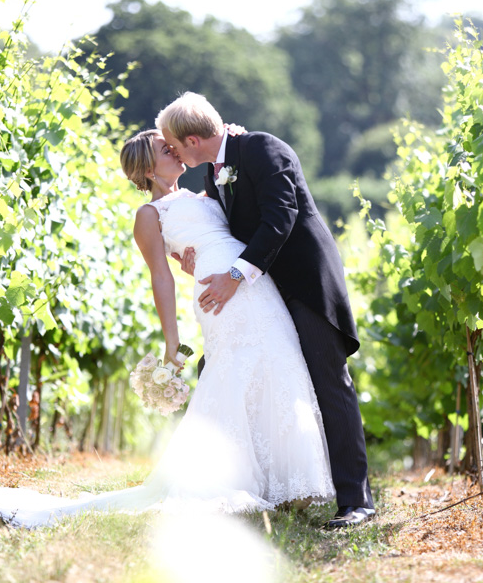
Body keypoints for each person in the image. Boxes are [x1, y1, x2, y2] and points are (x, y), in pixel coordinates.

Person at [0, 129, 335, 528]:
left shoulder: (205, 194)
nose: (175, 151)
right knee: (233, 373)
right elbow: (162, 276)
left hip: (250, 282)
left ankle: (286, 482)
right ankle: (226, 480)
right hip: (217, 294)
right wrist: (171, 339)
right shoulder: (149, 215)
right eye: (165, 149)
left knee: (276, 362)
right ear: (148, 169)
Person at [156, 92, 374, 528]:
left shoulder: (262, 148)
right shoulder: (214, 179)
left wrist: (234, 277)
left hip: (306, 284)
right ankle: (270, 485)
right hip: (267, 294)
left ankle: (357, 502)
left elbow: (280, 217)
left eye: (174, 146)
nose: (174, 155)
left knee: (330, 382)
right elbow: (224, 232)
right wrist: (195, 258)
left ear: (194, 140)